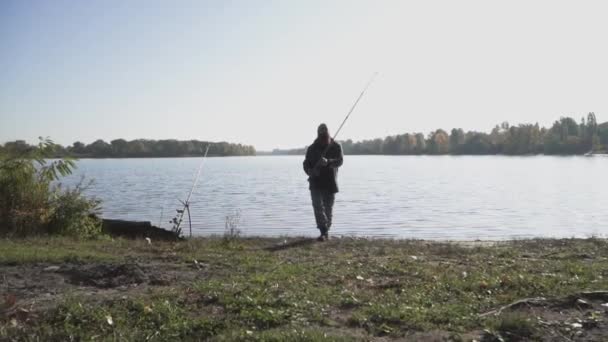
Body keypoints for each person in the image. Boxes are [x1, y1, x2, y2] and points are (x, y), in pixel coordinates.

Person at [303, 123, 344, 241]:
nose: (323, 138)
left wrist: (328, 162)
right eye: (321, 135)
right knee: (317, 207)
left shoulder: (336, 146)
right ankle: (323, 231)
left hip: (330, 182)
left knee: (328, 209)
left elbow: (340, 161)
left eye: (325, 135)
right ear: (318, 135)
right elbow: (305, 164)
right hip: (315, 182)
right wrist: (310, 171)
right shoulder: (311, 148)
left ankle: (325, 231)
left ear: (328, 133)